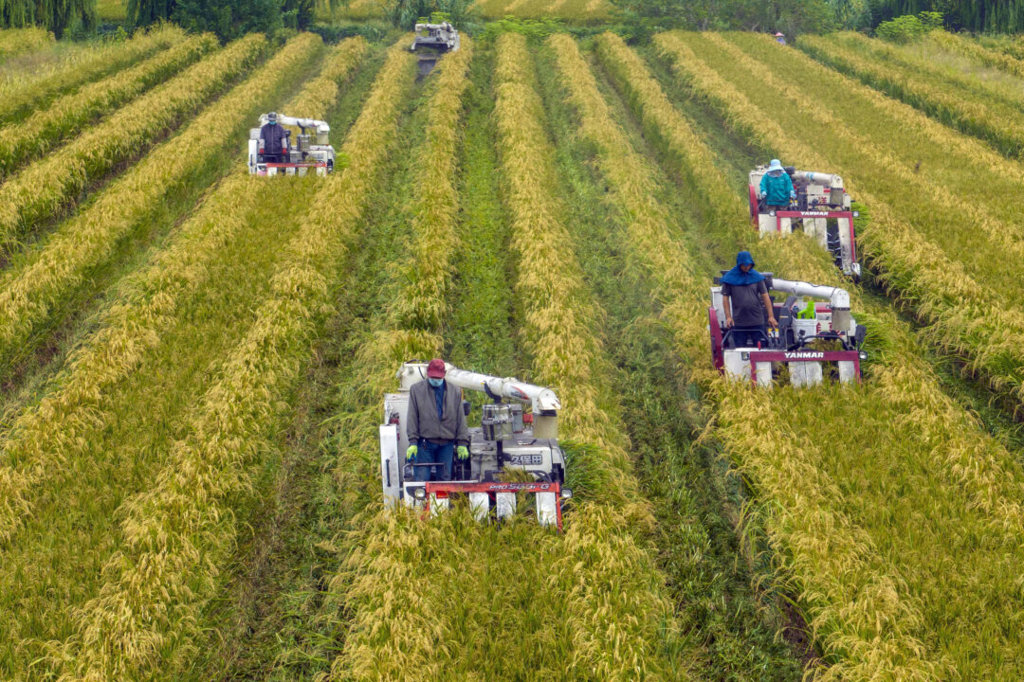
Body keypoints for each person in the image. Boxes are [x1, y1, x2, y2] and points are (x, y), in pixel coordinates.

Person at [405, 358, 470, 482]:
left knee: (445, 480)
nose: (435, 380)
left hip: (447, 444)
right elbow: (412, 417)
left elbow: (460, 418)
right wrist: (413, 442)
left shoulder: (455, 391)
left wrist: (462, 443)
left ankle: (443, 502)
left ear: (444, 375)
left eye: (438, 378)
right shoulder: (416, 390)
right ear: (428, 374)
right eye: (433, 377)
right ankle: (422, 502)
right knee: (422, 480)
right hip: (425, 444)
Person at [721, 251, 778, 348]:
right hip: (739, 322)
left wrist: (771, 316)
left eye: (749, 265)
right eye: (744, 265)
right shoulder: (729, 278)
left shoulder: (757, 278)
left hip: (757, 321)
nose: (747, 267)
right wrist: (728, 317)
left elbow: (765, 296)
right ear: (739, 264)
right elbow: (725, 298)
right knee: (739, 350)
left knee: (760, 349)